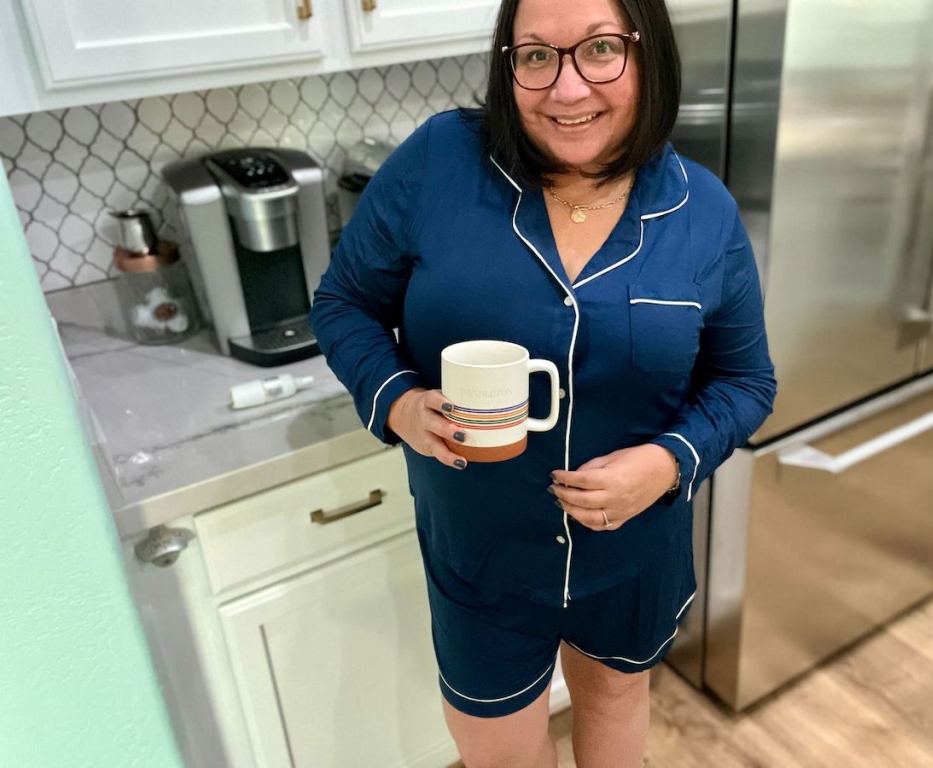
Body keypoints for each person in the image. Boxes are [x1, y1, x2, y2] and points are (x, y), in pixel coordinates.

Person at [309, 0, 777, 764]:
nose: (566, 89)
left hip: (631, 548)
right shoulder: (440, 164)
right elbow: (343, 303)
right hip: (480, 552)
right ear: (508, 64)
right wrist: (395, 400)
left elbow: (745, 381)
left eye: (600, 49)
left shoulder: (703, 211)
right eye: (535, 56)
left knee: (617, 704)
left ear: (648, 52)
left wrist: (666, 464)